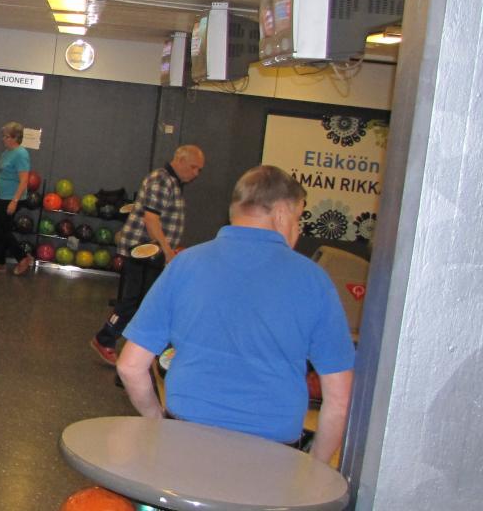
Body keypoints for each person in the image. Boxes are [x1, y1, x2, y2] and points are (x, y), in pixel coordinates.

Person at [116, 166, 355, 463]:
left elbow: (130, 366)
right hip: (272, 456)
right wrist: (314, 465)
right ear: (281, 214)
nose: (298, 229)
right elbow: (340, 401)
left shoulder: (185, 265)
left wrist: (157, 423)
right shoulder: (314, 280)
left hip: (184, 444)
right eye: (298, 218)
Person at [90, 144, 205, 364]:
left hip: (152, 252)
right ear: (180, 160)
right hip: (143, 252)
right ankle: (105, 339)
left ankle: (134, 347)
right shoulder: (161, 180)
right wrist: (168, 251)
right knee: (134, 300)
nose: (196, 173)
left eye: (199, 169)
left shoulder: (173, 183)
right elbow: (151, 220)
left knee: (142, 300)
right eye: (194, 167)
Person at [0, 122, 35, 275]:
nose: (3, 139)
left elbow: (24, 181)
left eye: (6, 136)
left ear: (15, 138)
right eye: (4, 136)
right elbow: (0, 175)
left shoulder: (21, 154)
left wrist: (14, 201)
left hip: (12, 197)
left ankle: (23, 258)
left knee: (3, 230)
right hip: (1, 196)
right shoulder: (6, 153)